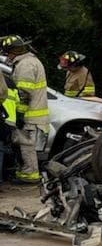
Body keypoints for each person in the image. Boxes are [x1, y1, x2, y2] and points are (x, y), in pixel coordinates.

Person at [0, 35, 49, 184]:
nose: (7, 56)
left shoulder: (25, 65)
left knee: (26, 145)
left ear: (13, 52)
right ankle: (26, 172)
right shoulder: (28, 61)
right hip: (33, 113)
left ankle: (30, 175)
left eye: (7, 52)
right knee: (25, 145)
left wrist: (19, 114)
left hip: (30, 115)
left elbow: (24, 92)